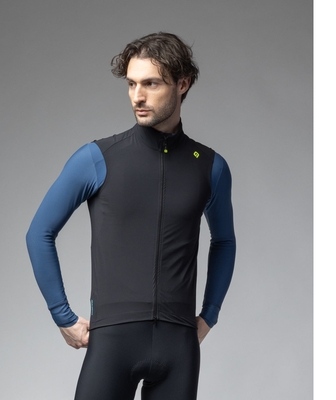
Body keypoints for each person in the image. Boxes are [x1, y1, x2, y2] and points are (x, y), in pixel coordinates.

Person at [26, 32, 236, 400]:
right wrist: (63, 315)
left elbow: (224, 241)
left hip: (179, 349)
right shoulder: (97, 158)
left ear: (182, 84)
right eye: (131, 84)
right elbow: (39, 233)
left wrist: (209, 315)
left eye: (151, 83)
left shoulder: (210, 167)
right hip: (113, 345)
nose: (137, 96)